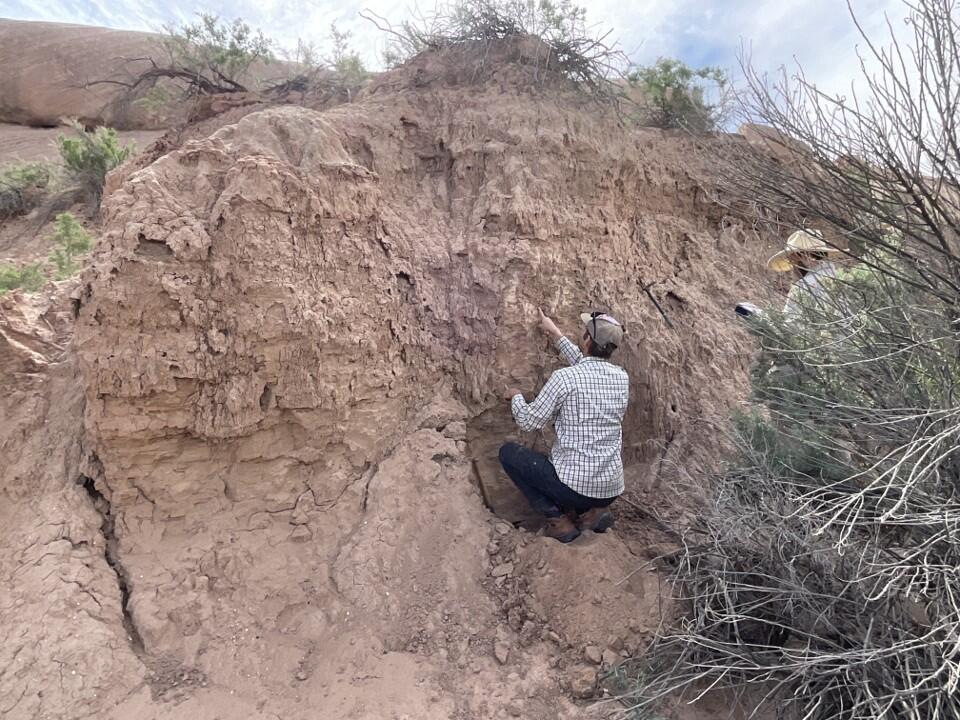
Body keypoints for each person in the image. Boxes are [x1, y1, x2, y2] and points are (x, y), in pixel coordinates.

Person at [498, 309, 629, 543]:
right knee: (578, 477)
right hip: (611, 489)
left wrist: (517, 397)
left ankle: (558, 521)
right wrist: (556, 334)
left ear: (587, 339)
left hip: (574, 488)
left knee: (508, 454)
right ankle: (593, 514)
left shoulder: (564, 378)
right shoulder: (621, 377)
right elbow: (587, 366)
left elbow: (529, 422)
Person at [767, 229, 845, 316]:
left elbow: (789, 322)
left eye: (793, 260)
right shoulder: (840, 277)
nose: (793, 266)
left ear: (806, 256)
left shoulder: (802, 287)